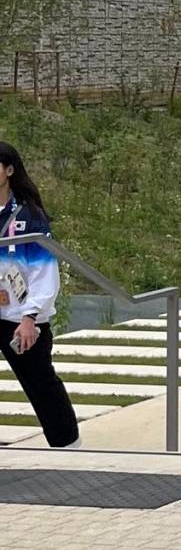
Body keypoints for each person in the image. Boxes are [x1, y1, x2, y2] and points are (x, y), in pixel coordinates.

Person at [0, 141, 79, 447]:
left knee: (40, 381)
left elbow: (44, 271)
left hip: (20, 316)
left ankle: (67, 444)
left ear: (9, 170)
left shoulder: (29, 216)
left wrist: (30, 316)